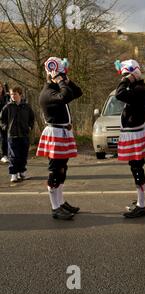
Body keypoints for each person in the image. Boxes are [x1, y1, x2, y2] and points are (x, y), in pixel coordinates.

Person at [36, 57, 83, 220]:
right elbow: (64, 96)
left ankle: (61, 201)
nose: (62, 79)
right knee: (55, 171)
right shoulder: (48, 93)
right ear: (52, 75)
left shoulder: (57, 88)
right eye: (59, 75)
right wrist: (59, 79)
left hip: (62, 133)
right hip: (55, 134)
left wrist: (66, 80)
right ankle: (55, 207)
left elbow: (77, 93)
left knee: (63, 169)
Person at [115, 59, 145, 219]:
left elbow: (119, 94)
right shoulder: (138, 88)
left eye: (127, 75)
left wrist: (125, 79)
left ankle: (141, 204)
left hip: (135, 133)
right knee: (136, 168)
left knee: (137, 169)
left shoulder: (140, 89)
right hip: (133, 132)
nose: (124, 78)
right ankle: (140, 201)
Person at [0, 87, 35, 182]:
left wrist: (30, 127)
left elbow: (32, 118)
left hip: (24, 135)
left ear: (20, 95)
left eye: (15, 94)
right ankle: (13, 174)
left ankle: (22, 172)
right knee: (13, 156)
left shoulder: (26, 106)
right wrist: (5, 128)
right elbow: (2, 120)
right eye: (11, 94)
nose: (13, 96)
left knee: (23, 155)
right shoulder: (8, 107)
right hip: (12, 135)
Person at [0, 81, 10, 163]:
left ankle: (4, 155)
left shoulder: (5, 97)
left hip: (4, 121)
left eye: (0, 87)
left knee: (4, 138)